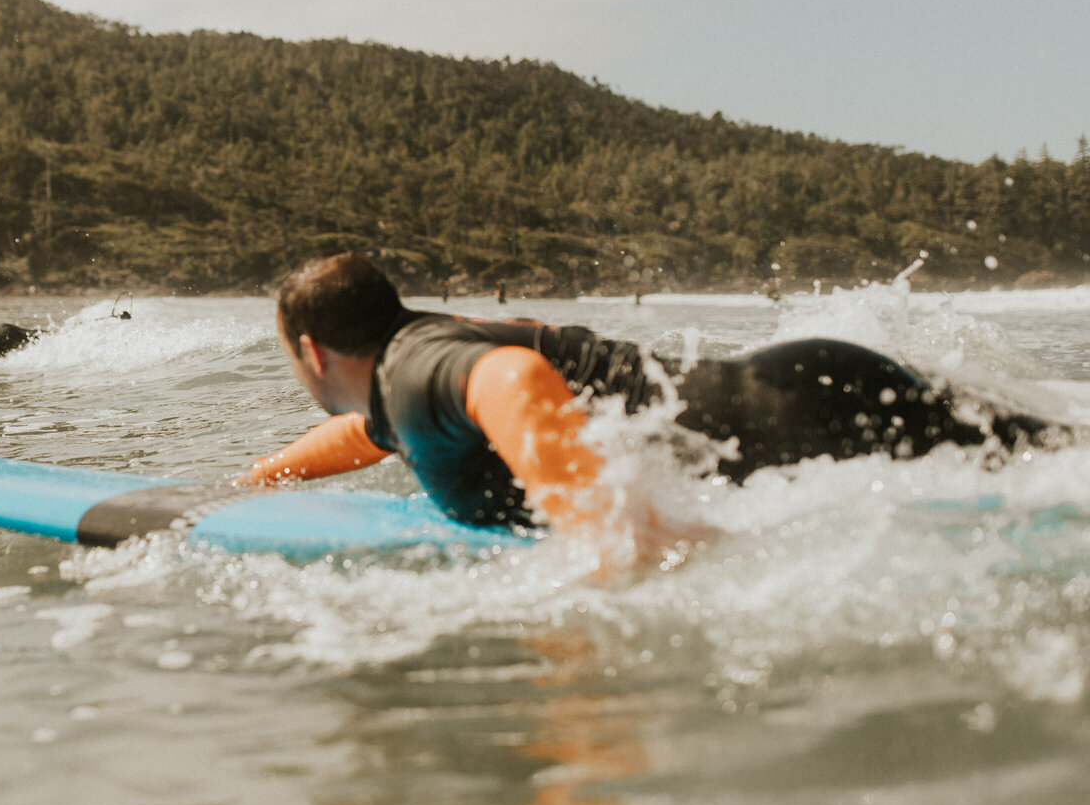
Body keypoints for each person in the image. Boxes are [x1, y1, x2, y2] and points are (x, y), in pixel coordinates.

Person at [243, 252, 1062, 537]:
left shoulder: (416, 367)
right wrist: (258, 481)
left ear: (310, 351)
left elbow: (515, 382)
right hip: (811, 388)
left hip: (810, 413)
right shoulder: (412, 363)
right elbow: (371, 432)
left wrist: (601, 538)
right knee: (1056, 455)